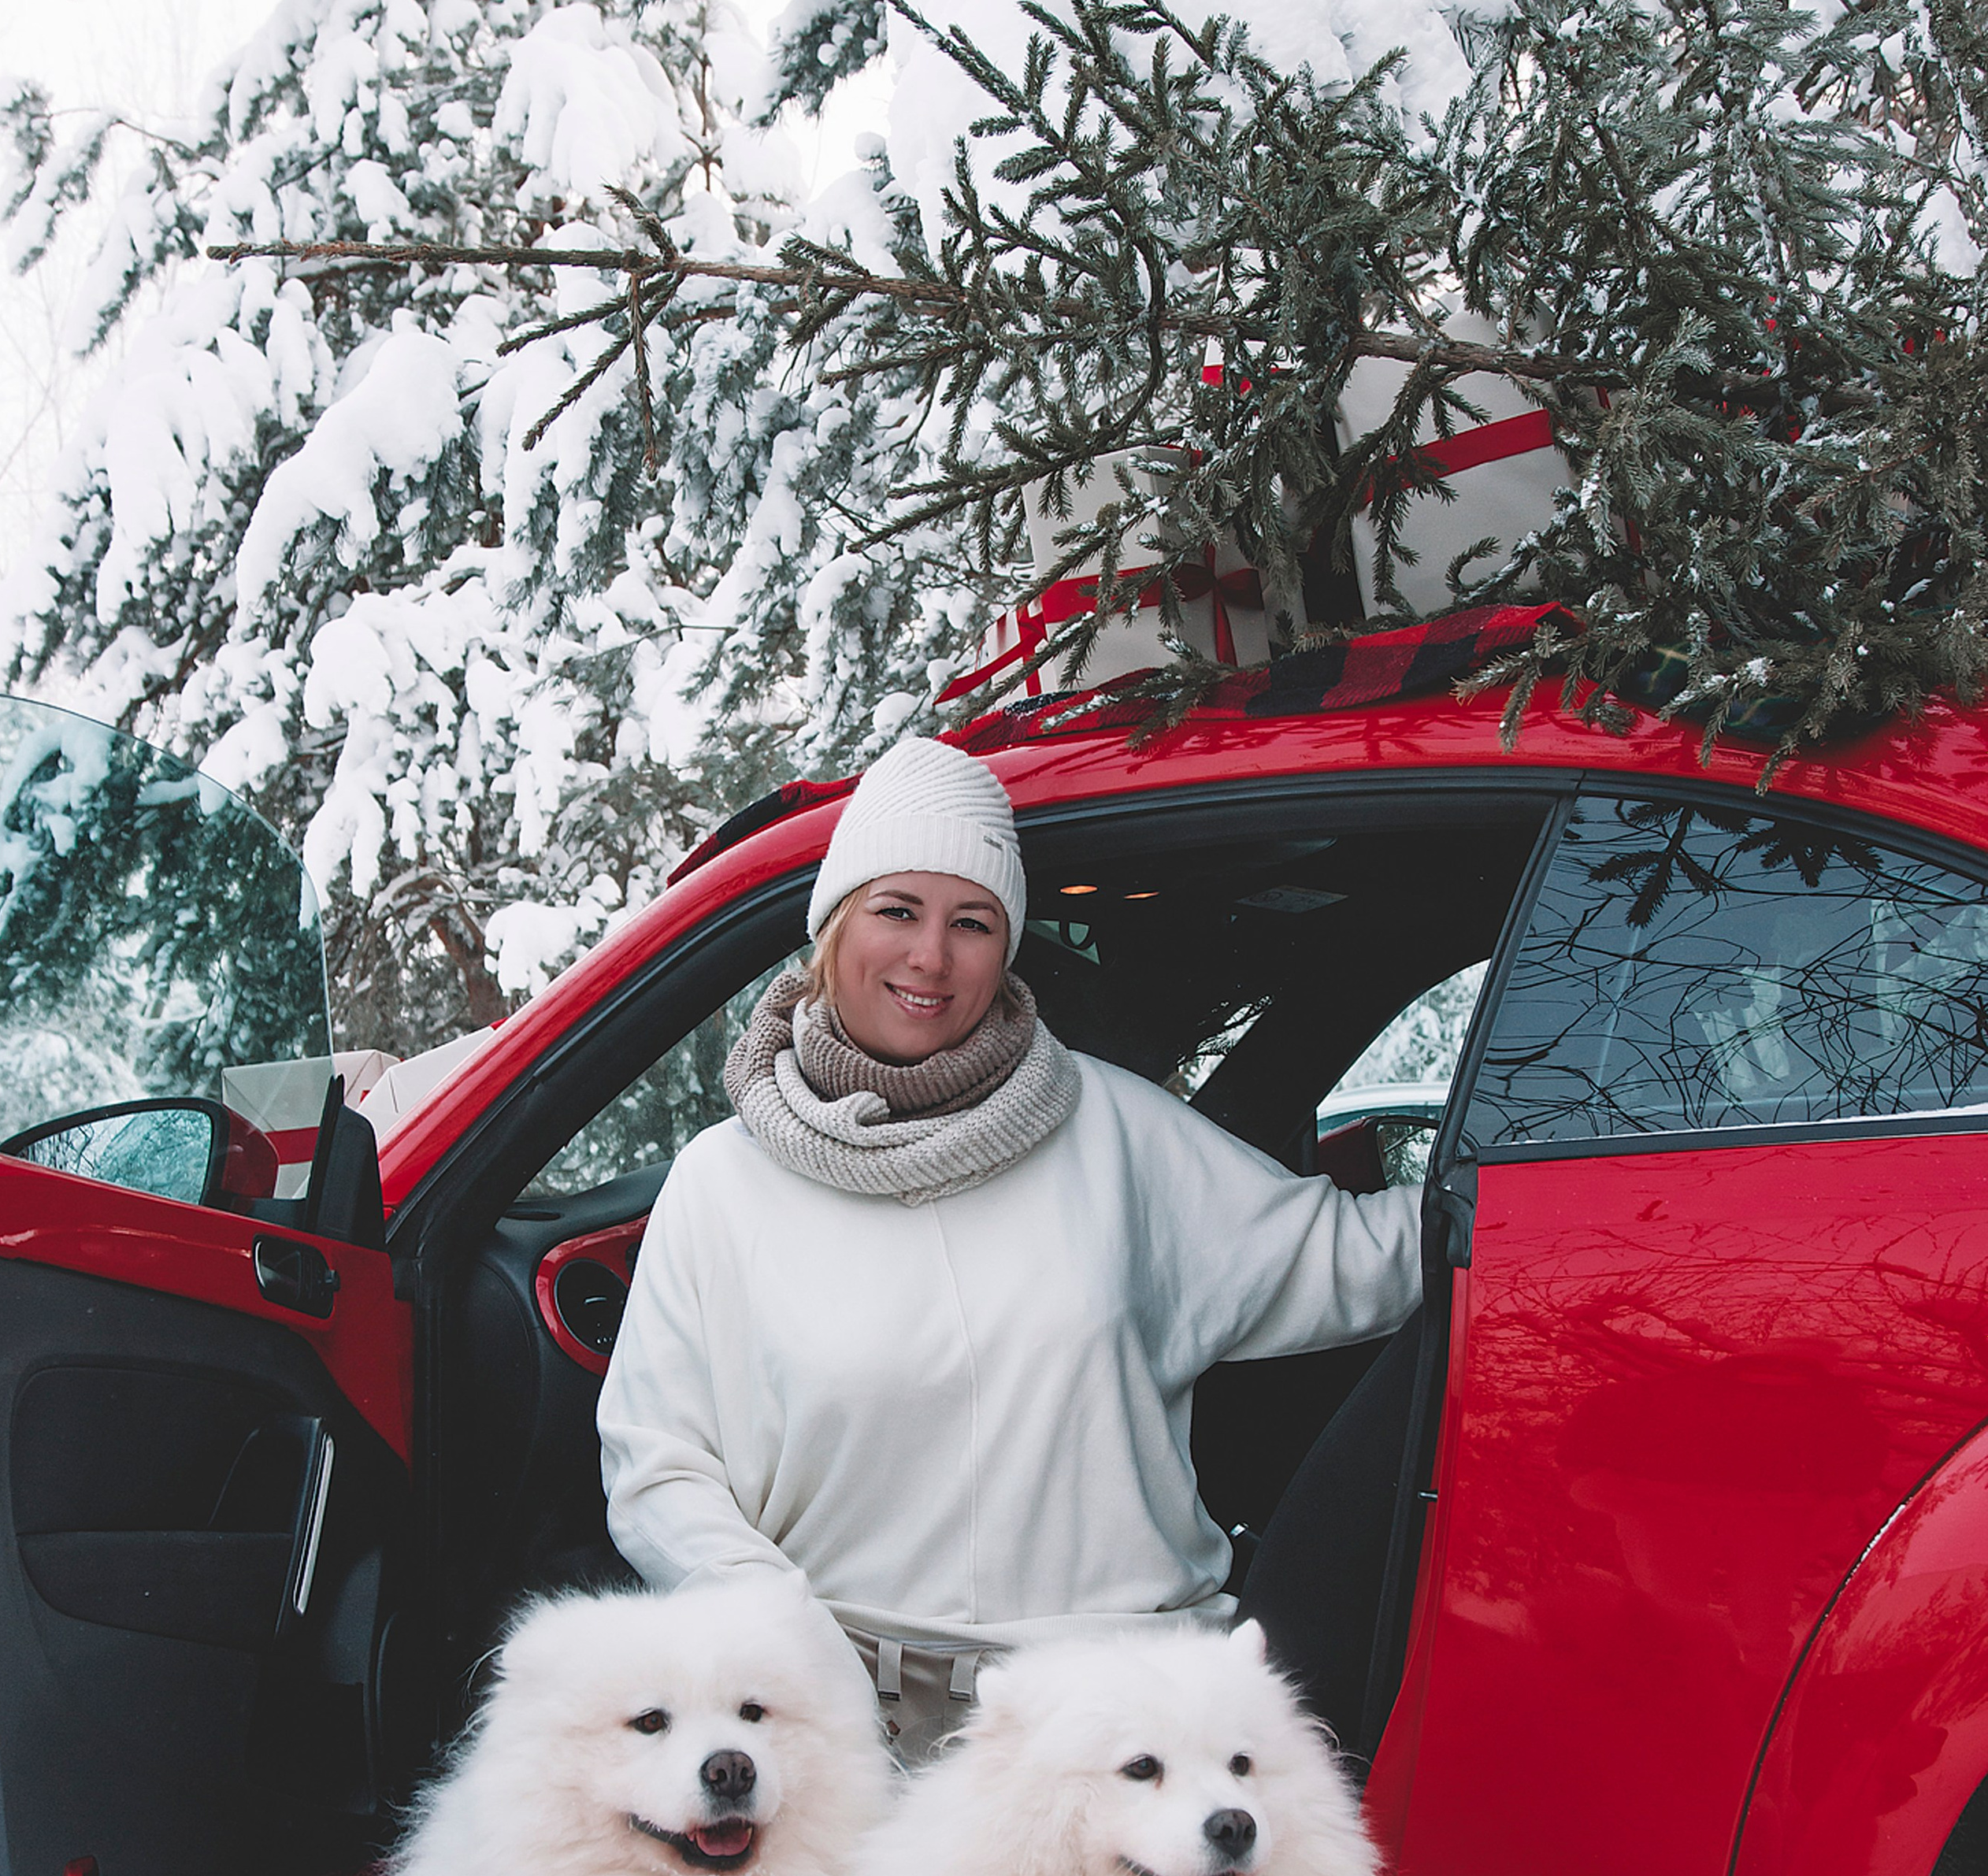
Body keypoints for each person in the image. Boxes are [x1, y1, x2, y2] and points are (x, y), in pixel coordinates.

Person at [598, 735, 1422, 1753]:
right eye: (897, 910)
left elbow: (1342, 1257)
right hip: (854, 1721)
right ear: (832, 925)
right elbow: (657, 1463)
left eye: (972, 922)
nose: (930, 957)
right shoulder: (723, 1183)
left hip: (1134, 1713)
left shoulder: (1113, 1129)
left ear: (1006, 947)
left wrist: (1531, 1203)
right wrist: (781, 1630)